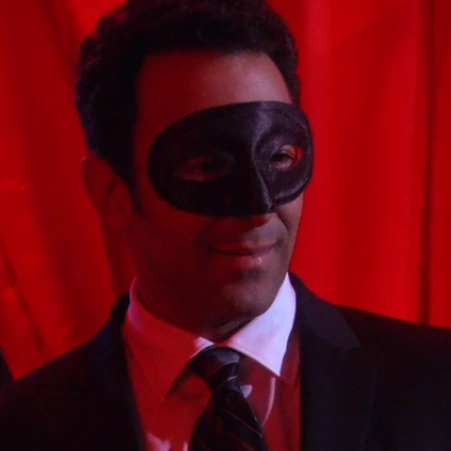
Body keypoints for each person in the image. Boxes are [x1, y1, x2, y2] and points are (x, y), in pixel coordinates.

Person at [1, 0, 451, 450]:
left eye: (279, 157)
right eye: (207, 166)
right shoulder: (21, 429)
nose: (260, 208)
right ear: (111, 193)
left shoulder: (438, 386)